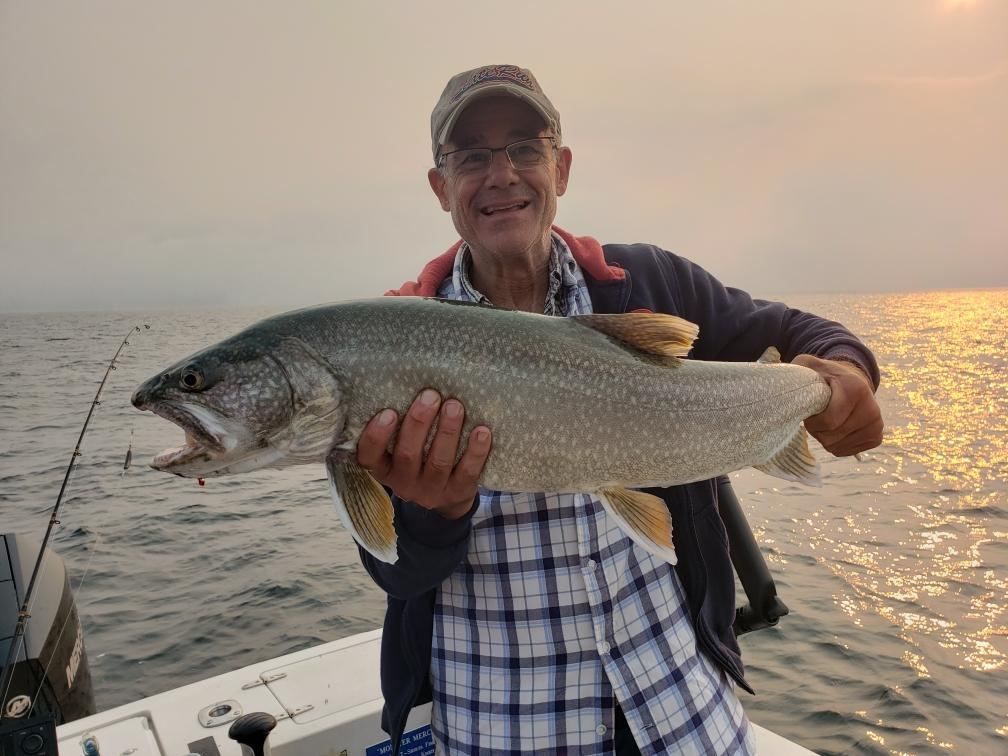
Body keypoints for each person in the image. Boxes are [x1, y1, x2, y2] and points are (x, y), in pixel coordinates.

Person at [355, 64, 883, 755]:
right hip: (503, 726)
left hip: (683, 709)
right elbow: (398, 574)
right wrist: (434, 514)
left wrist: (847, 376)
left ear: (561, 167)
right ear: (440, 186)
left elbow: (799, 332)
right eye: (472, 156)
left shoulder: (651, 283)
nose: (502, 173)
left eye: (524, 147)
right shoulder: (395, 341)